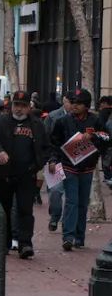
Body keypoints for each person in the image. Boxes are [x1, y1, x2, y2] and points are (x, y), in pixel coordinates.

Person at [0, 91, 50, 259]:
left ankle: (25, 243)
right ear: (11, 105)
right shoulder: (0, 122)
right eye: (16, 105)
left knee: (25, 209)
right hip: (3, 174)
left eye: (23, 106)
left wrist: (37, 165)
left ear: (29, 107)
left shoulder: (36, 125)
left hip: (26, 175)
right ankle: (3, 243)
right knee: (3, 210)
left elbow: (45, 147)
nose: (19, 109)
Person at [49, 89, 110, 251]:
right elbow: (54, 143)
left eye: (79, 103)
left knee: (83, 203)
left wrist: (94, 137)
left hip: (88, 168)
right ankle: (68, 236)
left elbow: (107, 138)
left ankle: (79, 237)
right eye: (73, 102)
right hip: (69, 166)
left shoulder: (95, 121)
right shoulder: (63, 122)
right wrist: (53, 160)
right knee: (72, 201)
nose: (75, 106)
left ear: (86, 106)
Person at [45, 93, 70, 231]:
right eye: (68, 102)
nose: (72, 105)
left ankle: (67, 224)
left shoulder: (81, 119)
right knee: (55, 191)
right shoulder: (53, 116)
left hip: (74, 162)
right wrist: (49, 158)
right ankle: (54, 216)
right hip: (56, 159)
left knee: (69, 197)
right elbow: (46, 137)